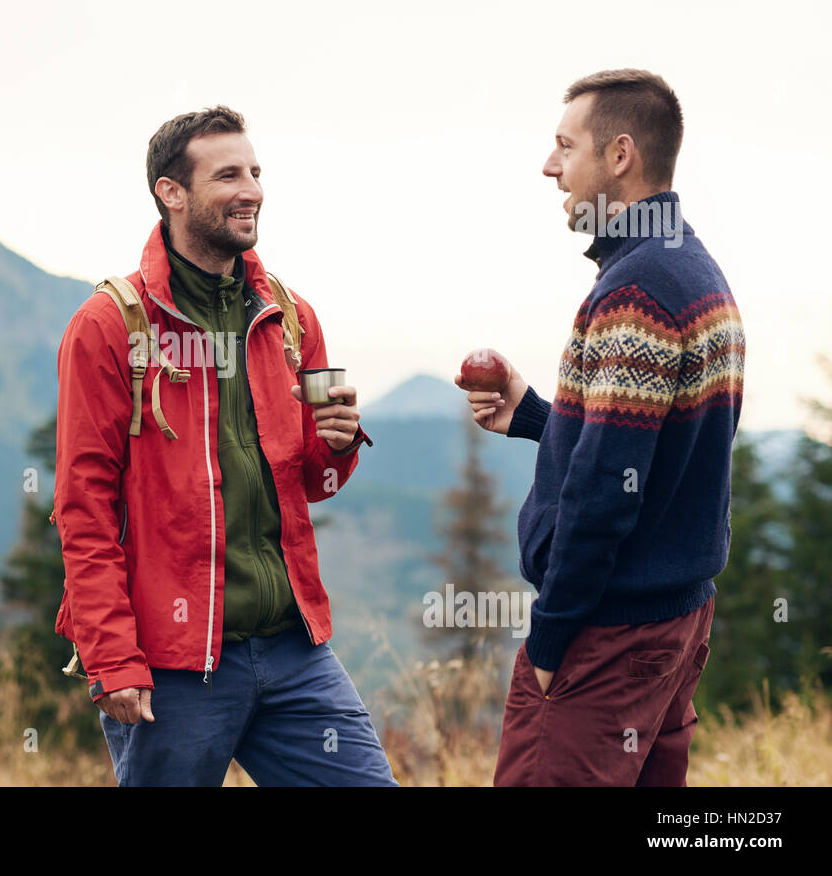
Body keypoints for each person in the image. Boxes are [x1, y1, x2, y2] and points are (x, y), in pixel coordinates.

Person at [52, 105, 396, 786]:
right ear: (171, 192)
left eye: (257, 172)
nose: (252, 190)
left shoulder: (289, 317)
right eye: (229, 174)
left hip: (295, 651)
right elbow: (82, 507)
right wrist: (112, 655)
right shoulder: (109, 325)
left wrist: (337, 446)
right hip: (174, 664)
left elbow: (313, 483)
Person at [456, 69, 746, 786]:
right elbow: (651, 450)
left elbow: (603, 496)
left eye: (565, 147)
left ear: (620, 156)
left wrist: (551, 643)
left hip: (604, 639)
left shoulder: (636, 291)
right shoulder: (693, 269)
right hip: (673, 625)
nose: (550, 166)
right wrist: (532, 415)